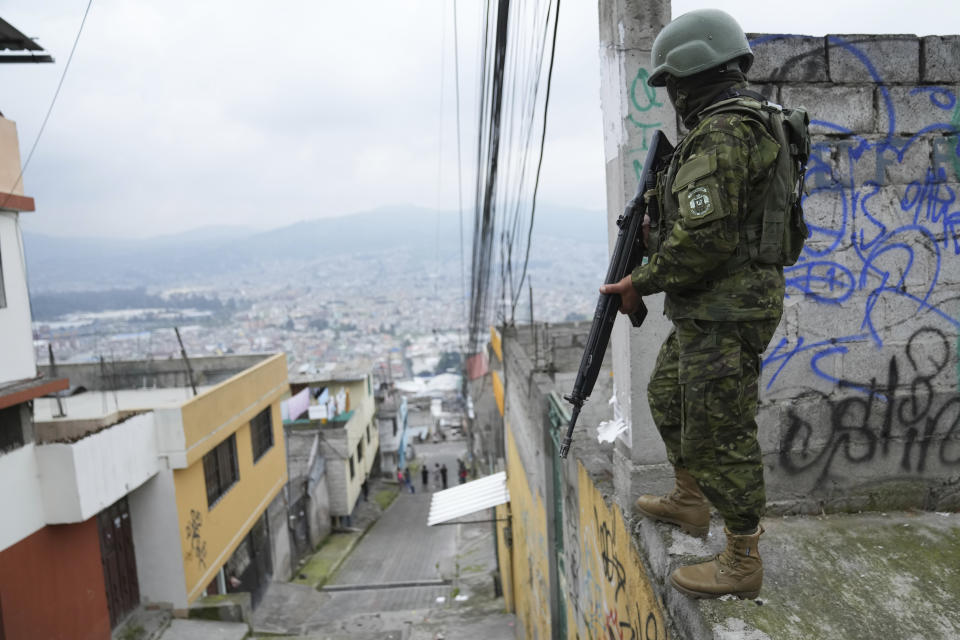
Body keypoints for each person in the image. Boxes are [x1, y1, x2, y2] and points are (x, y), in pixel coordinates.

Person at [600, 8, 788, 600]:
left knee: (719, 432)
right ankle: (689, 500)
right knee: (666, 394)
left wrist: (640, 282)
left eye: (672, 83)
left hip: (729, 308)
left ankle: (741, 557)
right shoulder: (728, 127)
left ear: (692, 75)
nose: (672, 95)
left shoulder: (724, 132)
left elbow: (705, 238)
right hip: (713, 305)